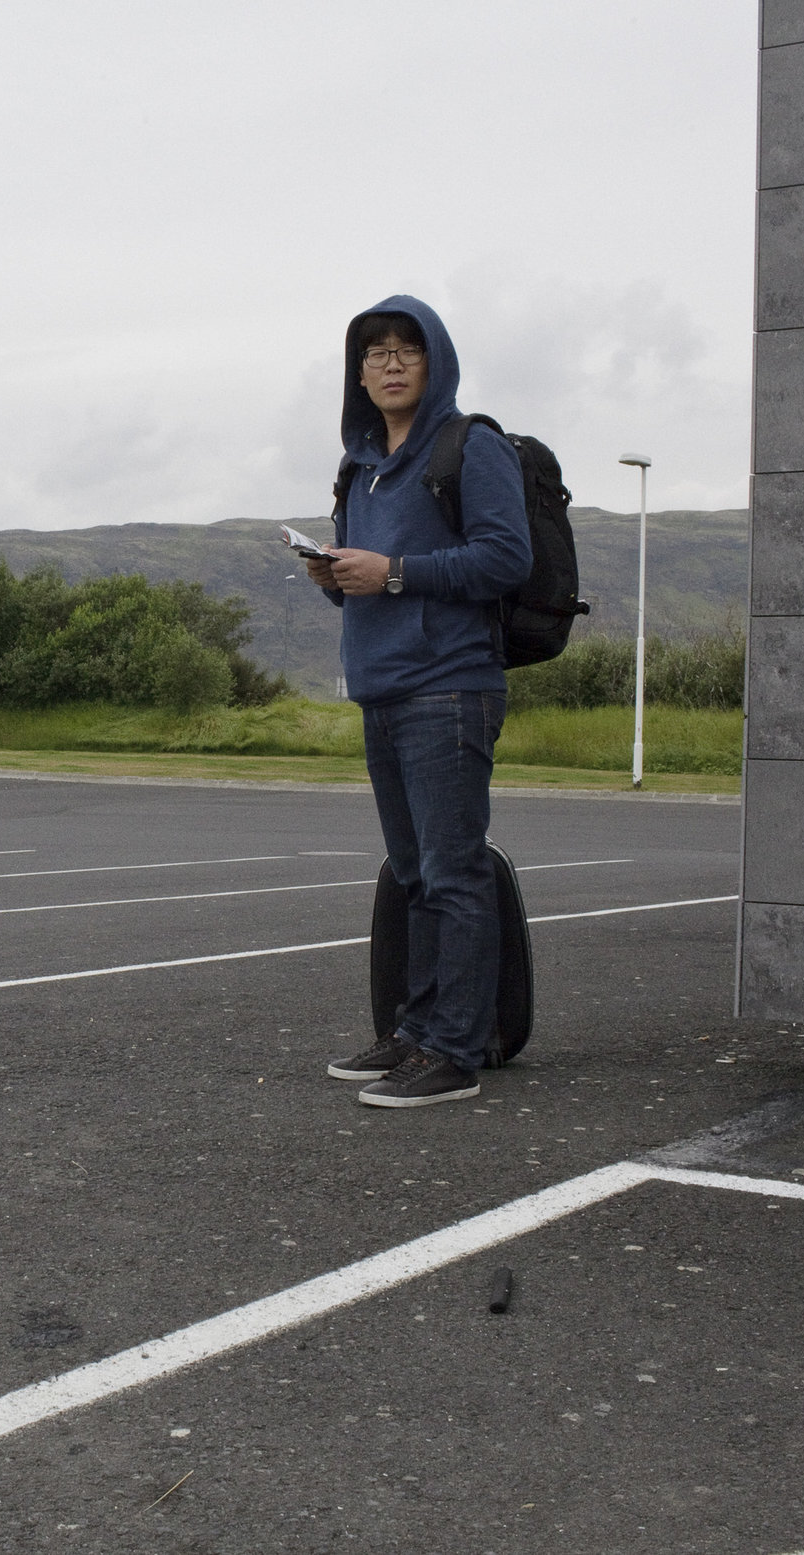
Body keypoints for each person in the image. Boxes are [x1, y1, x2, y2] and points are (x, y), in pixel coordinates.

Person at [303, 296, 531, 1108]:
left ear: (435, 361)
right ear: (357, 374)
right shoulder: (358, 470)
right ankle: (416, 1031)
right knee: (410, 874)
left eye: (408, 349)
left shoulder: (471, 446)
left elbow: (506, 557)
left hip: (450, 688)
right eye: (375, 353)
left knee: (452, 871)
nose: (391, 362)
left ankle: (455, 1051)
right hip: (383, 691)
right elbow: (368, 591)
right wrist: (339, 579)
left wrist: (392, 570)